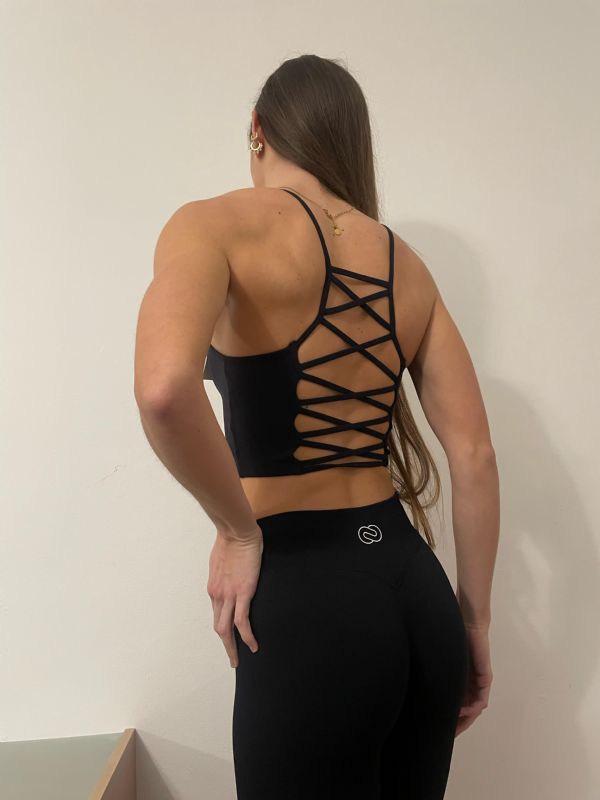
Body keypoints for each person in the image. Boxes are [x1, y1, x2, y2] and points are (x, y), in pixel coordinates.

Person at [134, 54, 499, 800]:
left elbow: (165, 389)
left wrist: (237, 532)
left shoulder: (214, 225)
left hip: (309, 605)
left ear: (258, 130)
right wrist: (474, 624)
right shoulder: (407, 266)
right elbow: (475, 456)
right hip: (415, 594)